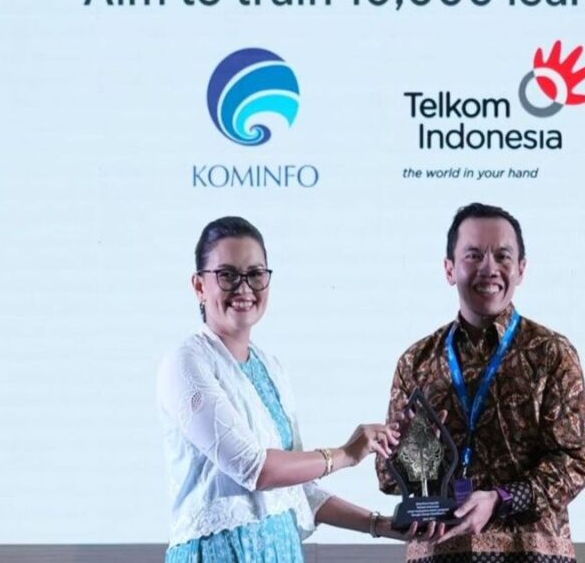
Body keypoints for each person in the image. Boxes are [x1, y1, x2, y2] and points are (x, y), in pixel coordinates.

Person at [158, 216, 411, 562]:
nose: (244, 288)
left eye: (255, 274)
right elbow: (256, 470)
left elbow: (299, 490)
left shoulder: (271, 368)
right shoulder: (186, 362)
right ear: (199, 286)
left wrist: (381, 524)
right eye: (227, 275)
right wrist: (346, 454)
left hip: (282, 551)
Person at [376, 203, 585, 563]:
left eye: (502, 256)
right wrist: (405, 448)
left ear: (521, 268)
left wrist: (501, 499)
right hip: (440, 553)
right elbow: (387, 478)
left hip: (529, 554)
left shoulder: (552, 353)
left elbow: (575, 462)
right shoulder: (416, 361)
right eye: (473, 255)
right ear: (449, 269)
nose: (489, 268)